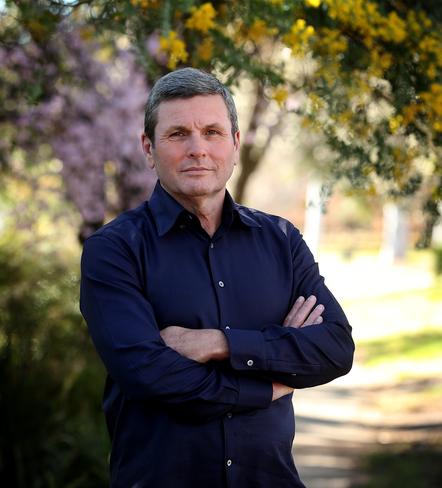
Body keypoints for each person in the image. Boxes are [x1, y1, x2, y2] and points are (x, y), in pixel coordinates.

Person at [80, 67, 354, 487]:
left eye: (212, 131)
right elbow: (152, 376)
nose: (198, 149)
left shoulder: (281, 240)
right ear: (149, 149)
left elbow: (335, 347)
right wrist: (269, 382)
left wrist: (220, 343)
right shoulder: (114, 251)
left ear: (236, 144)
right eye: (177, 135)